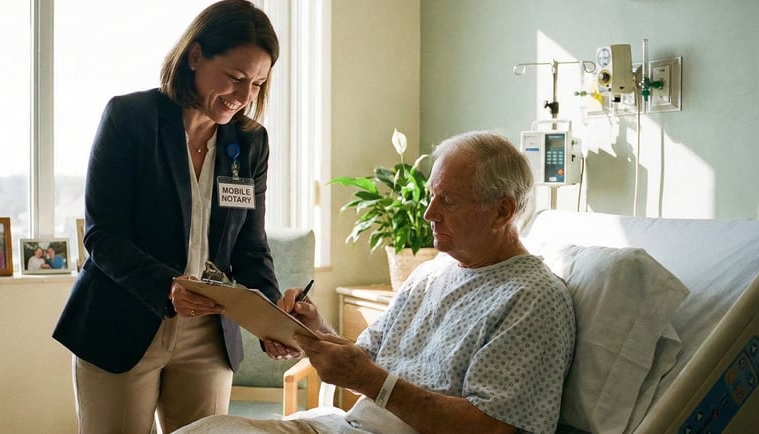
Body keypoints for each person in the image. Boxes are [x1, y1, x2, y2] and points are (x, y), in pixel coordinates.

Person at [178, 131, 577, 434]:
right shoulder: (431, 272)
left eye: (448, 201)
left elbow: (496, 428)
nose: (428, 214)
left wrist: (366, 378)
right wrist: (315, 330)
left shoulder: (532, 299)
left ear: (502, 211)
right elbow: (366, 358)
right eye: (431, 197)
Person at [51, 1, 283, 433]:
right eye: (235, 77)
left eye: (257, 83)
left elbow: (250, 245)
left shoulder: (250, 143)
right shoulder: (130, 118)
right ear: (195, 55)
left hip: (208, 334)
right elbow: (105, 236)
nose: (243, 95)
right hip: (122, 320)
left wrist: (274, 316)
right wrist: (167, 286)